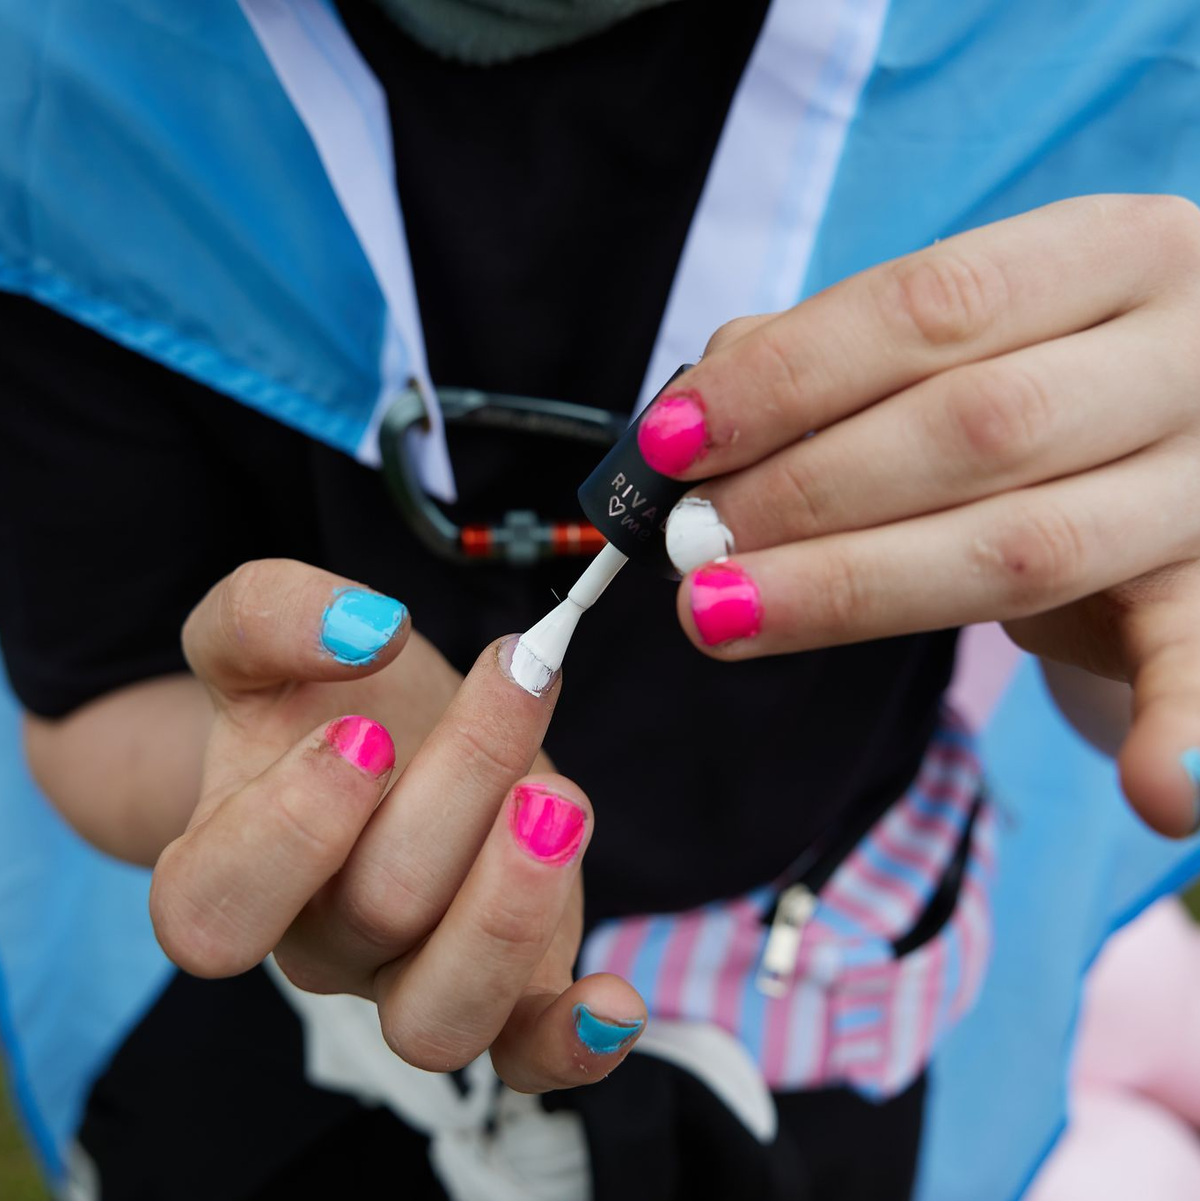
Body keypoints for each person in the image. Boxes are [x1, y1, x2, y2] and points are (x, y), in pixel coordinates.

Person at [2, 1, 1200, 1198]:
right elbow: (99, 686)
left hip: (810, 1023)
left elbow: (1108, 679)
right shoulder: (71, 92)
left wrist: (1147, 577)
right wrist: (309, 798)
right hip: (294, 1073)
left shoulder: (1108, 55)